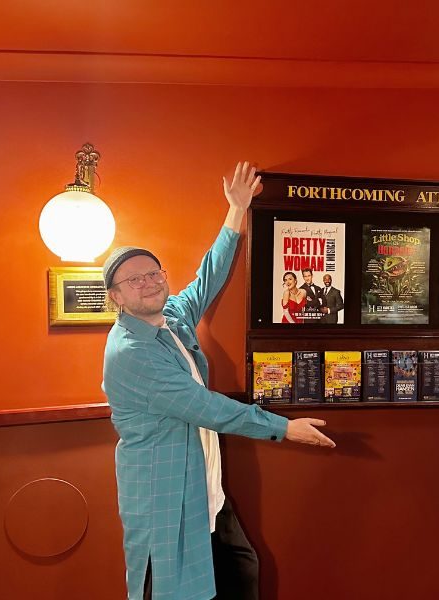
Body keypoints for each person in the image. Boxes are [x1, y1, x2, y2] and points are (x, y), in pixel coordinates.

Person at [102, 162, 336, 600]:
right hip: (165, 495)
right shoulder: (131, 353)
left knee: (240, 572)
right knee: (169, 590)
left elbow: (205, 279)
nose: (149, 282)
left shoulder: (169, 316)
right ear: (115, 296)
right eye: (134, 280)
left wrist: (236, 211)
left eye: (154, 273)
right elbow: (205, 407)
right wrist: (286, 428)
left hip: (205, 484)